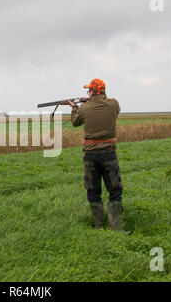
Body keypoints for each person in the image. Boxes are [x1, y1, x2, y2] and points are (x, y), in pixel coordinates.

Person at [68, 79, 131, 234]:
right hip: (109, 153)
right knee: (115, 190)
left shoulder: (84, 108)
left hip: (90, 156)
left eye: (89, 90)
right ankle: (116, 228)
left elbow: (75, 122)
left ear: (93, 91)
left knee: (93, 190)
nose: (87, 93)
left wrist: (74, 107)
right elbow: (112, 109)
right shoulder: (113, 104)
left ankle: (98, 226)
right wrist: (92, 100)